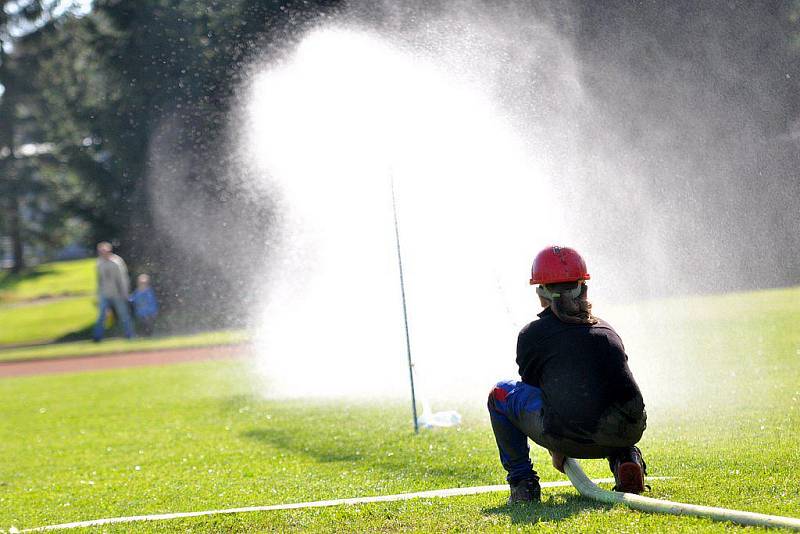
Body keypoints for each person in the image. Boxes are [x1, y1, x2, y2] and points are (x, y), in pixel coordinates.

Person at [487, 245, 647, 504]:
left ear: (541, 294)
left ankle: (523, 483)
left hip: (570, 436)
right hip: (630, 429)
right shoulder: (607, 329)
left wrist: (558, 445)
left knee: (499, 394)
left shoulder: (532, 335)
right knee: (607, 404)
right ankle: (625, 459)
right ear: (584, 288)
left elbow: (537, 393)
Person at [92, 241, 134, 341]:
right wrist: (98, 294)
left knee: (123, 315)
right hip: (104, 293)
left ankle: (130, 335)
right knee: (101, 316)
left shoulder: (116, 262)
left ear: (109, 251)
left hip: (117, 293)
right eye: (100, 251)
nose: (102, 253)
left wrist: (125, 293)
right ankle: (97, 337)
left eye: (104, 251)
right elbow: (99, 280)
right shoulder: (99, 263)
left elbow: (123, 279)